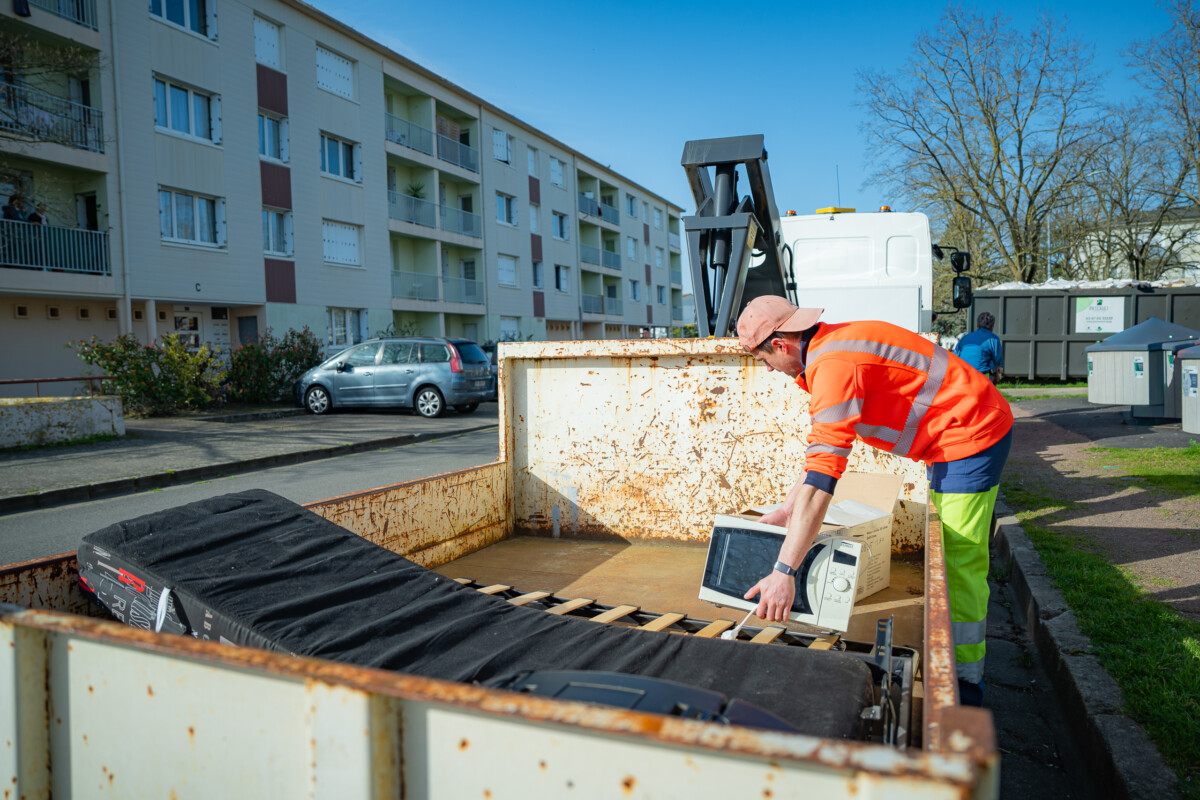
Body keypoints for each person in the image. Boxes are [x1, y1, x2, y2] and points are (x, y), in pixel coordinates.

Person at [736, 296, 1013, 706]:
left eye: (764, 360)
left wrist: (784, 572)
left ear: (780, 344)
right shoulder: (832, 348)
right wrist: (789, 507)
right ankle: (957, 670)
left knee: (958, 561)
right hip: (955, 432)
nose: (769, 370)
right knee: (949, 555)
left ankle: (965, 686)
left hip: (971, 433)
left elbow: (823, 479)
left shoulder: (833, 366)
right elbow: (820, 456)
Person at [955, 312, 1004, 382]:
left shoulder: (965, 338)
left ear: (978, 325)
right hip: (981, 377)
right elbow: (998, 360)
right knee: (992, 364)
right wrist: (1000, 368)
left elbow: (955, 354)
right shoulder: (993, 339)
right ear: (992, 327)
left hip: (962, 375)